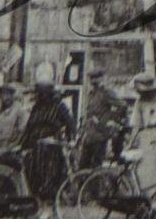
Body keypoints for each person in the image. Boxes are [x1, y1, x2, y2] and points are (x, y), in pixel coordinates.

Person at [19, 63, 75, 206]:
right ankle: (36, 199)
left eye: (42, 92)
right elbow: (30, 126)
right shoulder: (37, 106)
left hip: (51, 145)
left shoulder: (59, 105)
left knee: (49, 172)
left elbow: (70, 123)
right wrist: (23, 143)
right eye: (39, 92)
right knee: (32, 171)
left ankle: (50, 199)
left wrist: (70, 139)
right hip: (35, 144)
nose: (40, 95)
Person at [76, 72, 128, 170]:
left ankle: (97, 185)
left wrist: (108, 121)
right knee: (82, 167)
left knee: (96, 167)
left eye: (96, 78)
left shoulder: (106, 93)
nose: (93, 81)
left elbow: (122, 105)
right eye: (91, 78)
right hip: (88, 136)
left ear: (101, 79)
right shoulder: (91, 94)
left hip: (99, 135)